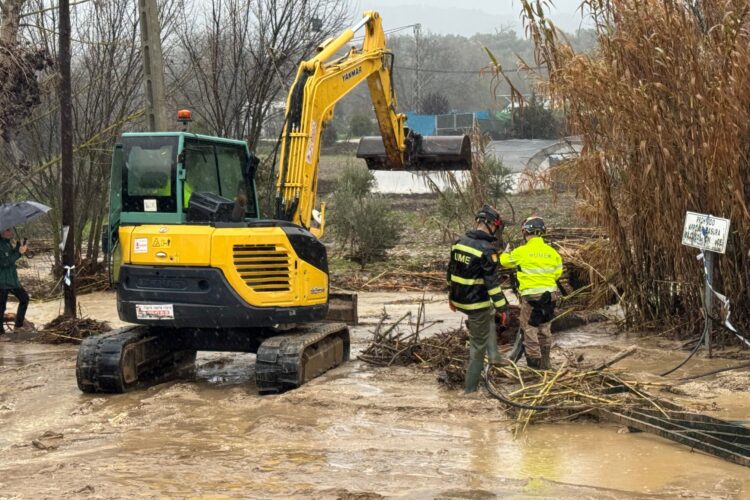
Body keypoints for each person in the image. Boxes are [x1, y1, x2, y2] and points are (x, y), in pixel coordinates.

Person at [447, 205, 510, 394]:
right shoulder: (487, 250)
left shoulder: (459, 242)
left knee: (488, 314)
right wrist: (503, 308)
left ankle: (495, 356)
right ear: (492, 224)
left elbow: (450, 273)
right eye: (496, 227)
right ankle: (470, 391)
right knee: (477, 347)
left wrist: (451, 297)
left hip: (459, 298)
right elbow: (493, 285)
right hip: (476, 303)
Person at [500, 216, 563, 370]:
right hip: (550, 296)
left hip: (531, 298)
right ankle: (546, 364)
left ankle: (534, 369)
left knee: (530, 331)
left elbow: (504, 261)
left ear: (525, 232)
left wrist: (505, 252)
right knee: (544, 329)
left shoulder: (521, 251)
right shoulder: (552, 253)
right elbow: (557, 274)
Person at [0, 227, 31, 340]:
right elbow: (4, 262)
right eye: (8, 230)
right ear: (1, 231)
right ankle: (0, 333)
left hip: (12, 280)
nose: (10, 232)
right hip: (2, 282)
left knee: (24, 298)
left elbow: (11, 255)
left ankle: (18, 326)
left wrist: (19, 246)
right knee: (1, 307)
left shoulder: (7, 243)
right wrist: (19, 253)